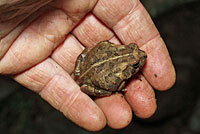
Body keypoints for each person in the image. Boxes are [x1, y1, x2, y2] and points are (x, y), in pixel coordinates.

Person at [0, 0, 176, 131]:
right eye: (136, 60)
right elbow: (118, 82)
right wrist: (116, 89)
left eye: (136, 55)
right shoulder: (125, 71)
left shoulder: (120, 55)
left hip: (87, 63)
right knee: (111, 87)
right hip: (90, 80)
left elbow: (103, 48)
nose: (141, 55)